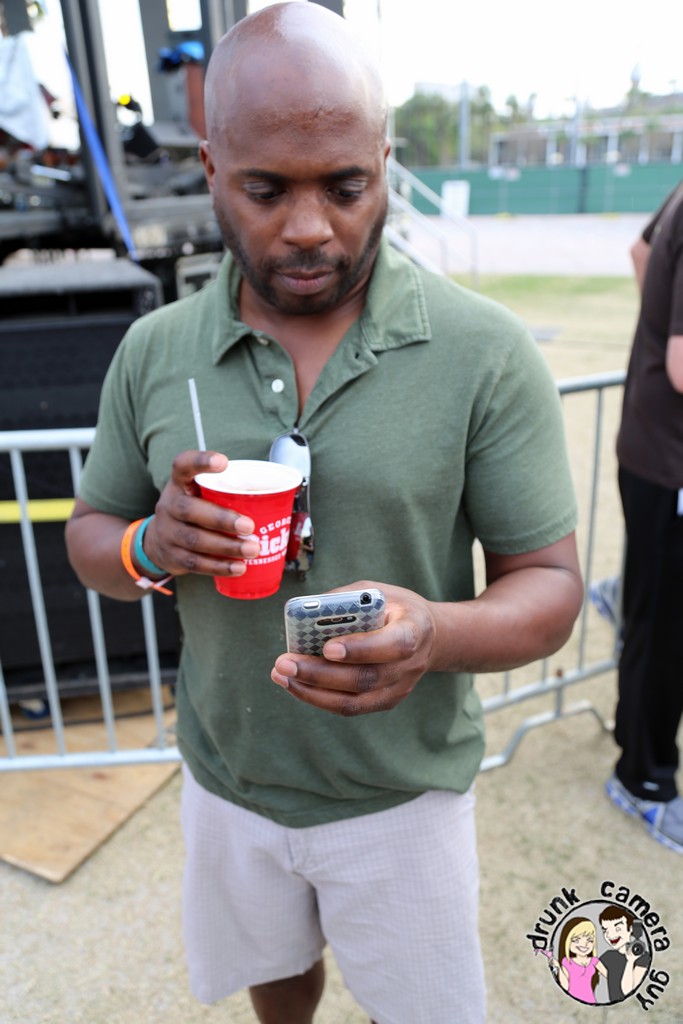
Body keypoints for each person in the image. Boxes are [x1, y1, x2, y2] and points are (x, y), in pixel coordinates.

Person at [64, 4, 583, 1022]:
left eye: (345, 187)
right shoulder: (154, 352)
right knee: (278, 976)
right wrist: (149, 544)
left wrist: (432, 634)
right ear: (211, 168)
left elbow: (550, 586)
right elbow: (89, 538)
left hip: (403, 795)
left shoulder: (482, 352)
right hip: (229, 778)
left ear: (383, 163)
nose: (308, 228)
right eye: (265, 190)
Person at [605, 180, 683, 854]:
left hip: (653, 446)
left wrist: (658, 325)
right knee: (664, 633)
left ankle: (623, 597)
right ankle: (643, 779)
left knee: (654, 618)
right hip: (670, 460)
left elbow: (640, 250)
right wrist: (665, 338)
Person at [599, 906, 650, 1002]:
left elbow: (627, 992)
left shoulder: (643, 957)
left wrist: (630, 961)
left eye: (617, 929)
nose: (610, 935)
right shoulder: (608, 956)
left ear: (630, 929)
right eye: (605, 930)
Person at [551, 917, 607, 1004]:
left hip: (590, 1000)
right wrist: (558, 967)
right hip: (571, 1002)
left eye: (590, 940)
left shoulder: (594, 961)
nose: (584, 944)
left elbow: (610, 976)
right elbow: (565, 986)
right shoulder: (566, 962)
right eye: (576, 940)